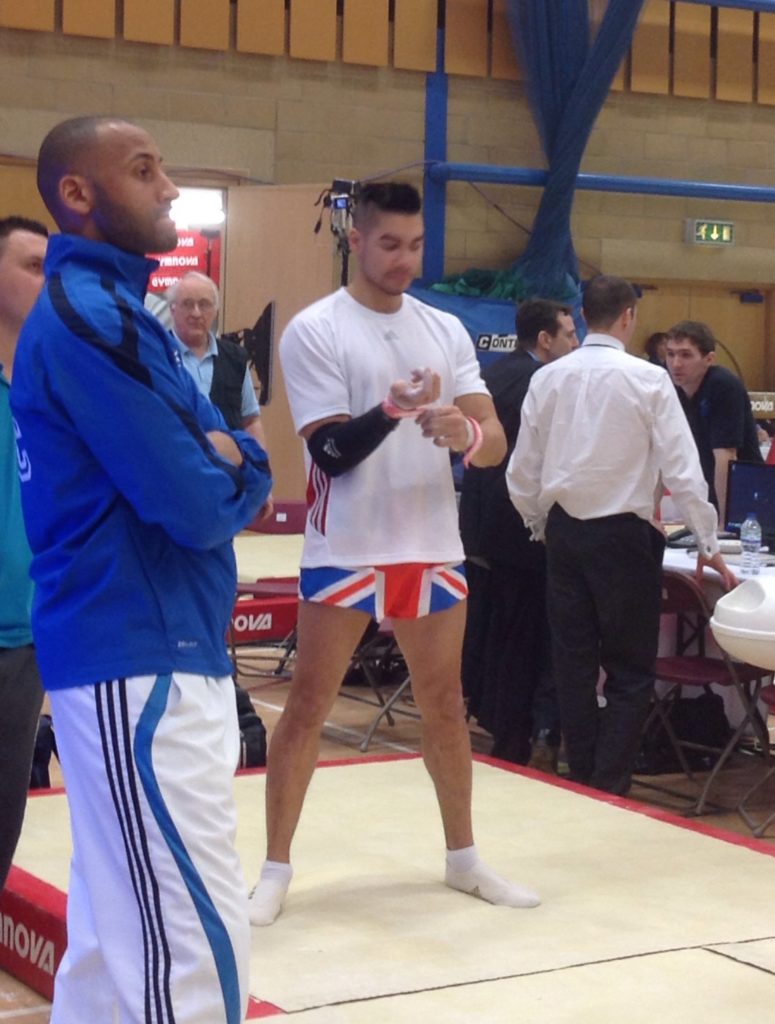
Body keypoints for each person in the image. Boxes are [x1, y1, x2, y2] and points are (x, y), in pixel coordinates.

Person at [11, 116, 272, 1024]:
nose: (168, 187)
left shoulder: (123, 314)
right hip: (143, 649)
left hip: (146, 644)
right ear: (77, 195)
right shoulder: (92, 318)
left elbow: (224, 453)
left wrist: (232, 457)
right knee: (188, 941)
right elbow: (201, 501)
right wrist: (245, 465)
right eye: (143, 169)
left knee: (118, 936)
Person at [248, 181, 540, 927]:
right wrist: (395, 409)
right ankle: (275, 868)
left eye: (414, 246)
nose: (404, 260)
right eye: (389, 245)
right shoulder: (316, 330)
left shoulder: (444, 328)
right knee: (308, 705)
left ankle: (463, 856)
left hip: (431, 544)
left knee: (444, 705)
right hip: (346, 544)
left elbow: (494, 439)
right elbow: (333, 453)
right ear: (358, 241)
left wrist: (466, 437)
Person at [507, 275, 737, 797]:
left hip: (565, 534)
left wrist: (540, 524)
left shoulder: (548, 378)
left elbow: (522, 472)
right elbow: (684, 471)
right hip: (624, 538)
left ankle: (583, 773)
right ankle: (610, 782)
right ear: (629, 317)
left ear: (584, 316)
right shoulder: (650, 381)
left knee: (573, 663)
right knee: (630, 668)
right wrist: (708, 543)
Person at [459, 298, 578, 769]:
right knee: (528, 636)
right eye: (569, 334)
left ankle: (502, 727)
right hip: (521, 528)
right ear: (545, 339)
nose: (577, 343)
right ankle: (523, 732)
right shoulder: (542, 381)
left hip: (482, 525)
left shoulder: (494, 374)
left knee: (496, 632)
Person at [0, 215, 48, 891]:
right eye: (33, 265)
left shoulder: (54, 385)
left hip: (28, 633)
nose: (49, 279)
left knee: (6, 807)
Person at [666, 319, 761, 517]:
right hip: (704, 491)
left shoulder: (723, 385)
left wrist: (723, 520)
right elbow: (662, 451)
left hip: (747, 493)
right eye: (671, 354)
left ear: (709, 359)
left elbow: (726, 457)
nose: (676, 364)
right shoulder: (670, 388)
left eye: (686, 355)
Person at [169, 270, 267, 448]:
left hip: (229, 469)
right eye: (188, 304)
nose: (196, 313)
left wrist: (260, 465)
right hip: (173, 467)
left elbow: (250, 420)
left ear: (215, 311)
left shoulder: (235, 357)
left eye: (204, 304)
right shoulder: (157, 353)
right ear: (172, 309)